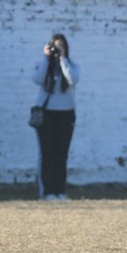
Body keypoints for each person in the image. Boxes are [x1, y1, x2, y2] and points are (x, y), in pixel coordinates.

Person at [32, 33, 80, 201]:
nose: (58, 50)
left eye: (61, 46)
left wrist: (62, 59)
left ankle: (59, 190)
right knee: (47, 153)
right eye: (55, 46)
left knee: (62, 153)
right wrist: (46, 58)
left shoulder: (71, 65)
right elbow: (37, 79)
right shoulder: (44, 66)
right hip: (47, 114)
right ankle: (46, 191)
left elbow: (72, 79)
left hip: (66, 115)